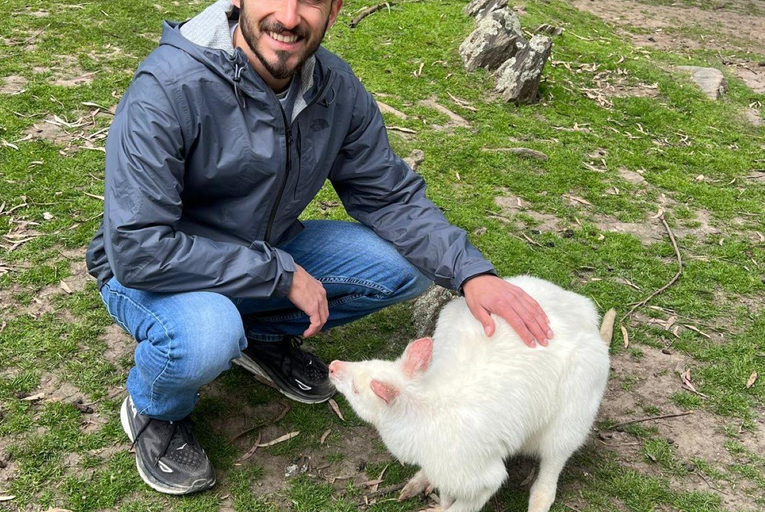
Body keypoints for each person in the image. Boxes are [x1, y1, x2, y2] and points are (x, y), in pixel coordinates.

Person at [85, 0, 553, 496]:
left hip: (265, 250)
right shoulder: (168, 88)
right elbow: (139, 249)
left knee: (407, 267)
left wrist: (470, 273)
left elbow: (389, 194)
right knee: (207, 335)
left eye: (310, 0)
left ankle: (260, 338)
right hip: (153, 272)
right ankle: (155, 408)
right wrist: (280, 276)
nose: (288, 17)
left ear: (334, 11)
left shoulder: (333, 86)